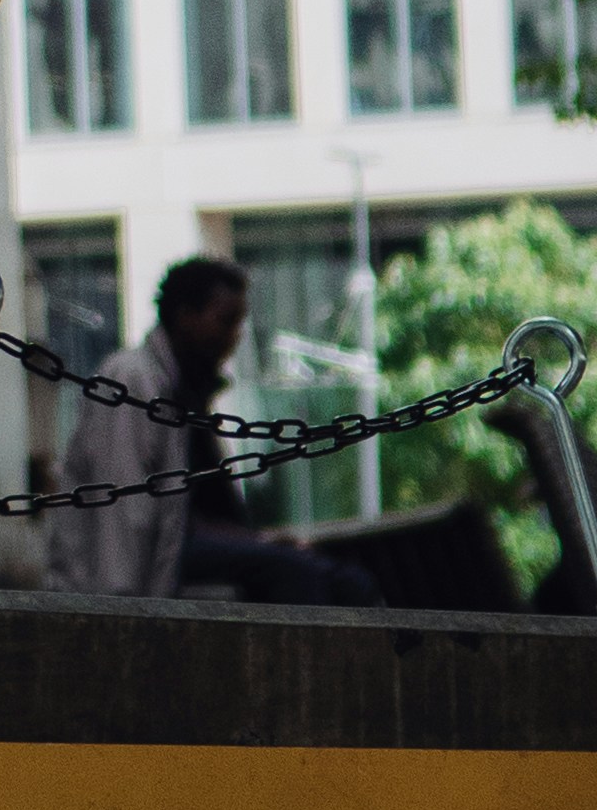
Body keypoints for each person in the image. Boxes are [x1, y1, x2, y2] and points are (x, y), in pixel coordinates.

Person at [59, 254, 385, 608]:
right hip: (148, 564)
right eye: (226, 321)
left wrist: (254, 541)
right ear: (186, 317)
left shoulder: (182, 384)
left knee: (348, 580)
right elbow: (123, 507)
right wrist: (120, 605)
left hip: (180, 545)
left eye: (239, 324)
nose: (234, 337)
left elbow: (194, 509)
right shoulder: (134, 376)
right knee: (296, 572)